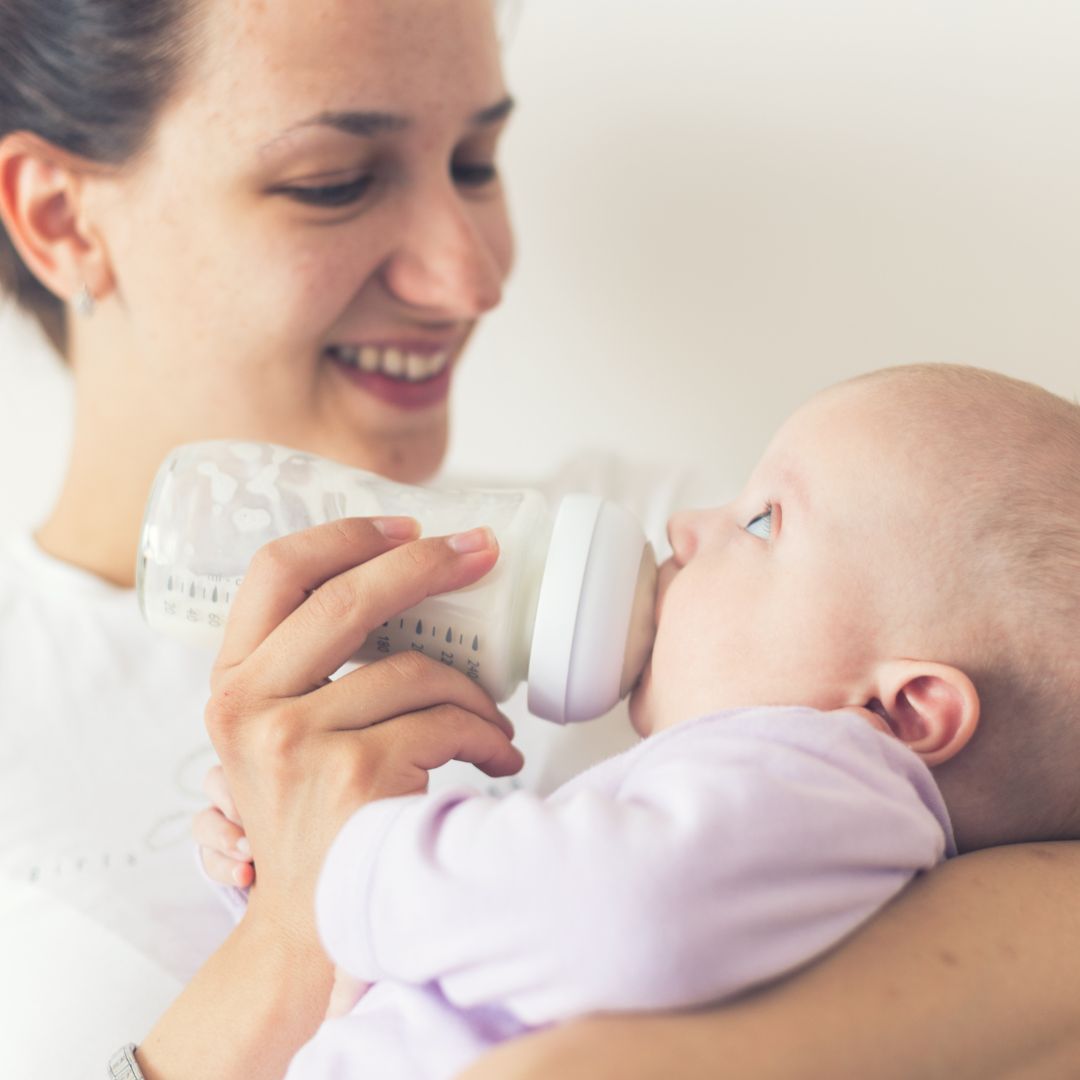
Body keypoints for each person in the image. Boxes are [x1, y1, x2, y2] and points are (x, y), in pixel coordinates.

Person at [0, 1, 1077, 1078]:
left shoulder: (718, 571)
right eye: (335, 181)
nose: (471, 279)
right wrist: (285, 920)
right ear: (60, 220)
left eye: (475, 163)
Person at [198, 364, 1078, 1079]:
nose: (686, 526)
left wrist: (350, 856)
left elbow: (627, 911)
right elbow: (525, 944)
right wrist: (288, 869)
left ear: (904, 709)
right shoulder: (797, 823)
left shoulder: (827, 774)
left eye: (763, 521)